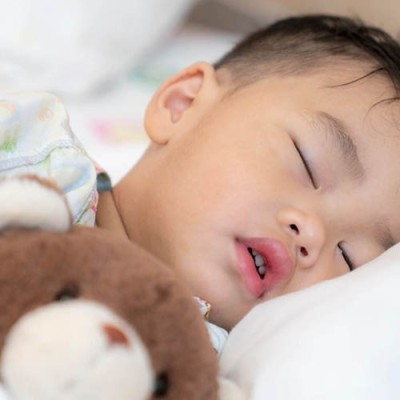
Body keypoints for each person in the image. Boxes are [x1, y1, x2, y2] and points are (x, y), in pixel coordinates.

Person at [2, 15, 400, 344]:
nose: (313, 233)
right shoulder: (33, 160)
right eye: (308, 162)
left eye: (350, 259)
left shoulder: (196, 369)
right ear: (182, 105)